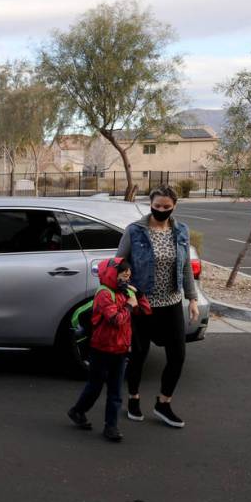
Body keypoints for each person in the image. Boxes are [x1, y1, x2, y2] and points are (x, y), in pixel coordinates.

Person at [117, 185, 199, 428]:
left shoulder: (181, 231)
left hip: (172, 303)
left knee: (178, 356)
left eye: (166, 207)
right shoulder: (135, 231)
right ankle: (133, 398)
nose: (161, 210)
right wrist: (128, 294)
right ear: (150, 204)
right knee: (139, 355)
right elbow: (119, 265)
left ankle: (163, 403)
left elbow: (185, 268)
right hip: (142, 304)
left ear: (174, 206)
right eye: (157, 206)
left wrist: (192, 299)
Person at [68, 258, 150, 441]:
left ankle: (110, 427)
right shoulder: (104, 294)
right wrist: (129, 304)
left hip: (120, 350)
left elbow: (145, 311)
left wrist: (140, 295)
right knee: (95, 386)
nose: (126, 280)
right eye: (123, 276)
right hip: (101, 349)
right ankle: (77, 410)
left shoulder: (126, 291)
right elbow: (115, 319)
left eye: (129, 277)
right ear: (112, 274)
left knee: (115, 392)